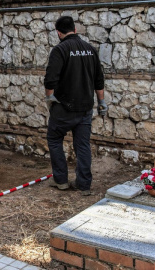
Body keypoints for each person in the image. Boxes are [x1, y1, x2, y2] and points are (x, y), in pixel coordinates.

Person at [44, 16, 106, 196]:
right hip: (86, 107)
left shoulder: (60, 50)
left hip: (64, 107)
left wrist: (50, 99)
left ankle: (61, 181)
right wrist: (101, 102)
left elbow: (50, 80)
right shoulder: (90, 49)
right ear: (75, 29)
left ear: (58, 32)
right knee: (83, 145)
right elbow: (99, 80)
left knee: (55, 140)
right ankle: (84, 185)